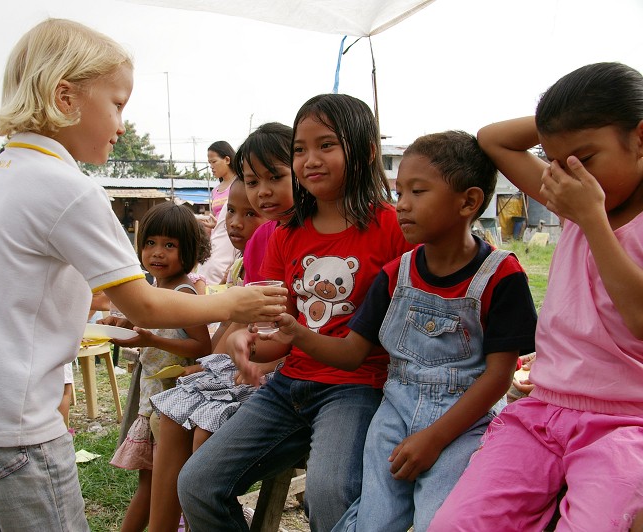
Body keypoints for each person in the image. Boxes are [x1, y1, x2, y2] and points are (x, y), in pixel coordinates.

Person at [0, 19, 285, 532]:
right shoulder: (69, 189)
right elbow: (146, 305)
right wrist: (233, 303)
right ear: (65, 97)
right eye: (118, 103)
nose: (123, 124)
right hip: (11, 424)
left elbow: (13, 288)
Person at [267, 131, 538, 531]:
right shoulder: (396, 275)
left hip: (464, 423)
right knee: (373, 522)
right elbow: (352, 352)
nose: (402, 206)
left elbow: (499, 376)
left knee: (440, 521)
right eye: (399, 193)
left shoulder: (500, 276)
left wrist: (434, 438)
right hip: (392, 418)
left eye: (418, 192)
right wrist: (297, 333)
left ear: (469, 201)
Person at [178, 93, 414, 532]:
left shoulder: (393, 226)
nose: (310, 159)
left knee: (329, 498)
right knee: (197, 483)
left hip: (357, 388)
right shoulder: (286, 234)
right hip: (288, 387)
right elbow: (281, 332)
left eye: (326, 145)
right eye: (300, 149)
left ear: (364, 151)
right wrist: (247, 346)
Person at [430, 62, 643, 530]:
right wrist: (557, 125)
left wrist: (591, 219)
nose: (566, 174)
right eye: (554, 158)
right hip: (543, 411)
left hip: (627, 424)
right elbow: (493, 138)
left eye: (584, 158)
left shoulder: (583, 207)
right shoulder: (575, 198)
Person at [147, 172, 273, 532]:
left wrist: (217, 364)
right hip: (237, 364)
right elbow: (230, 327)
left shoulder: (270, 257)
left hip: (264, 370)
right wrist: (210, 366)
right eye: (231, 210)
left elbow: (262, 330)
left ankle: (195, 518)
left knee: (203, 423)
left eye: (251, 214)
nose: (235, 222)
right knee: (172, 412)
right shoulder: (241, 264)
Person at [110, 202, 212, 532]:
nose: (157, 253)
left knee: (155, 486)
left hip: (172, 405)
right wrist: (122, 324)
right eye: (151, 243)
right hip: (151, 399)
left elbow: (201, 346)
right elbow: (153, 327)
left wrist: (152, 342)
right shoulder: (153, 288)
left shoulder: (183, 290)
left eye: (170, 245)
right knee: (150, 482)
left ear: (189, 250)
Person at [235, 122, 296, 283]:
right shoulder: (258, 240)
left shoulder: (328, 231)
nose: (263, 192)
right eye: (252, 182)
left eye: (275, 177)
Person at [196, 141, 238, 285]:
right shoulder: (216, 190)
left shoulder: (239, 185)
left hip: (233, 237)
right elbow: (220, 217)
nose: (211, 167)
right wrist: (215, 224)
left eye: (214, 161)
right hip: (218, 236)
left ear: (227, 159)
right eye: (209, 163)